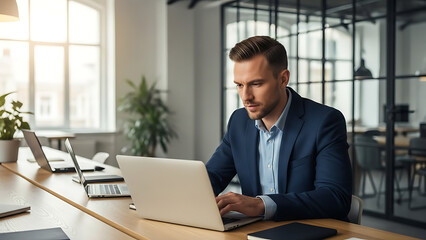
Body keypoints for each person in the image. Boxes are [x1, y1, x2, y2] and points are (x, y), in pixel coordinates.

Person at [206, 36, 352, 221]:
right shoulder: (239, 121)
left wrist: (260, 204)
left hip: (309, 231)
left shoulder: (324, 121)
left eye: (256, 84)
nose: (246, 96)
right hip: (255, 232)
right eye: (239, 85)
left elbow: (335, 197)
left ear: (283, 79)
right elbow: (211, 177)